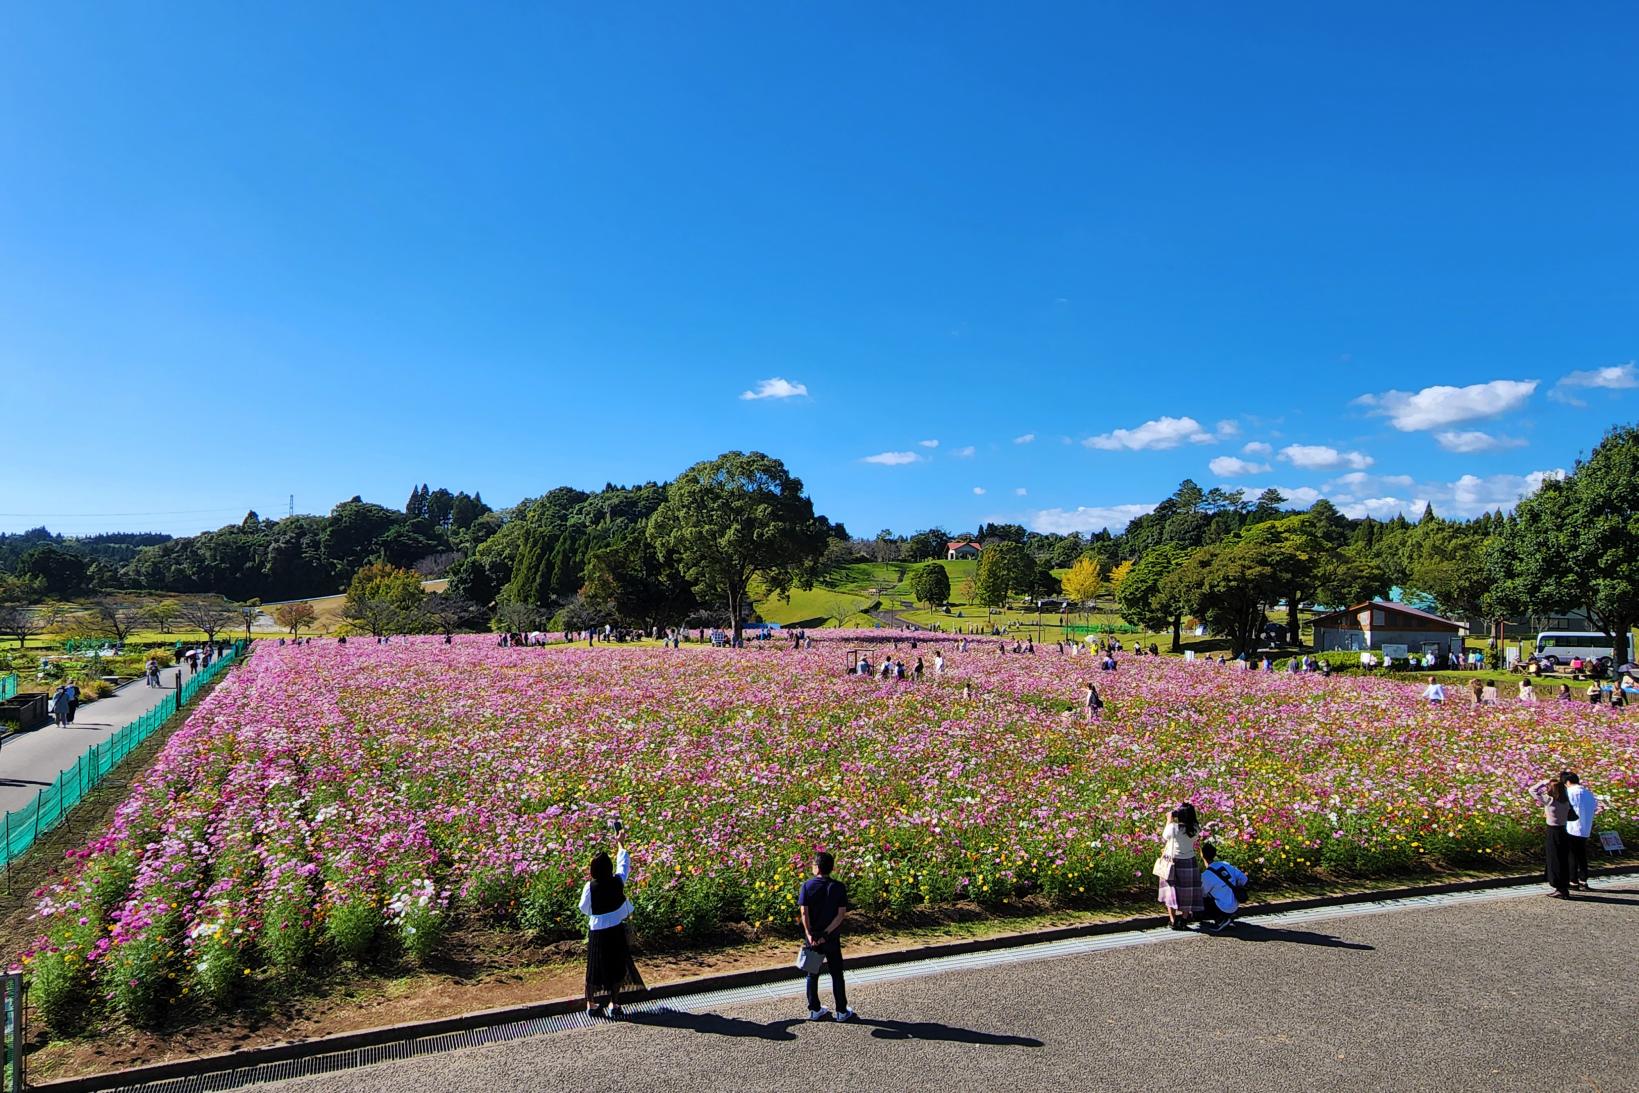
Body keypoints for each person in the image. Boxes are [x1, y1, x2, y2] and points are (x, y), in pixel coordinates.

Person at [578, 837, 645, 1017]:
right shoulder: (617, 881)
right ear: (609, 869)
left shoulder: (589, 886)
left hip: (597, 932)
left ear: (592, 871)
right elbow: (624, 865)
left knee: (594, 968)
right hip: (616, 929)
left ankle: (591, 1004)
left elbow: (584, 908)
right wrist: (620, 843)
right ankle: (614, 1004)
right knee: (617, 967)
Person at [798, 851, 855, 1022]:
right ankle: (841, 1011)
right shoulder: (838, 887)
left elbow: (804, 912)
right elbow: (840, 914)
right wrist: (826, 933)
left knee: (812, 973)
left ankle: (815, 1009)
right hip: (831, 938)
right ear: (831, 868)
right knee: (836, 974)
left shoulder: (806, 886)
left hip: (812, 939)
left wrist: (810, 934)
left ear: (816, 868)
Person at [1156, 803, 1203, 929]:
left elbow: (1165, 837)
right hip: (1189, 861)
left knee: (1170, 889)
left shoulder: (1173, 828)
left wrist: (1169, 819)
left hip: (1173, 861)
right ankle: (1184, 919)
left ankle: (1172, 920)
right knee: (1188, 891)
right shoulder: (1195, 828)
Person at [1527, 777, 1573, 899]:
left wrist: (1543, 782)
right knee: (1562, 859)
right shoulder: (1566, 801)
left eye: (1548, 788)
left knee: (1554, 860)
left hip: (1553, 832)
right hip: (1564, 831)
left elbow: (1532, 790)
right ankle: (1563, 887)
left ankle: (1559, 888)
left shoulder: (1550, 800)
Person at [1561, 772, 1597, 891]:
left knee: (1572, 855)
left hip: (1572, 827)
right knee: (1581, 855)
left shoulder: (1570, 792)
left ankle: (1573, 881)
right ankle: (1583, 880)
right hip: (1585, 827)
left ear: (1567, 782)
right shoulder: (1588, 793)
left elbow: (1565, 808)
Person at [1198, 842, 1247, 930]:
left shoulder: (1206, 875)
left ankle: (1220, 919)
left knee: (1201, 899)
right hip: (1235, 904)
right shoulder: (1225, 864)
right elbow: (1244, 878)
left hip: (1223, 907)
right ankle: (1229, 915)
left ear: (1202, 855)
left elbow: (1202, 893)